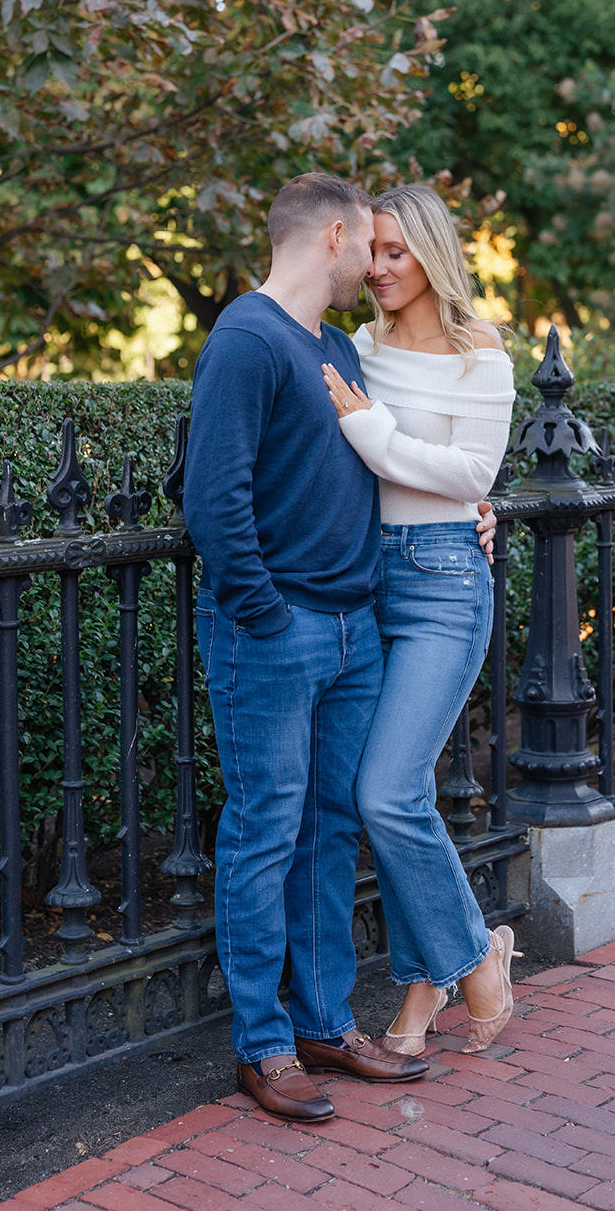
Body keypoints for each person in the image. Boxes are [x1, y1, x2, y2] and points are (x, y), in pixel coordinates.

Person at [183, 174, 444, 1123]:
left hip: (353, 631)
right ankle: (262, 1046)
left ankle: (325, 1022)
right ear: (330, 235)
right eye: (364, 246)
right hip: (277, 630)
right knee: (265, 831)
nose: (370, 264)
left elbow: (387, 458)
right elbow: (213, 500)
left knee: (332, 830)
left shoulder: (337, 348)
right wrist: (264, 614)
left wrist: (476, 509)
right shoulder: (245, 340)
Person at [321, 182, 519, 1055]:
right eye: (370, 251)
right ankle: (430, 980)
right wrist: (379, 439)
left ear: (431, 254)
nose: (377, 268)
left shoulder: (482, 352)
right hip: (367, 578)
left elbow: (470, 475)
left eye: (395, 251)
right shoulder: (358, 347)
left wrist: (371, 432)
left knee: (386, 791)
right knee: (390, 796)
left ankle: (472, 965)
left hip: (443, 577)